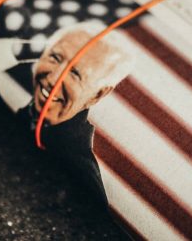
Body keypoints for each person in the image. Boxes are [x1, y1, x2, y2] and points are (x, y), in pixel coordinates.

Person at [16, 22, 135, 202]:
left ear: (97, 94)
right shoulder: (21, 114)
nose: (54, 78)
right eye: (55, 58)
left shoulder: (83, 182)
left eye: (75, 74)